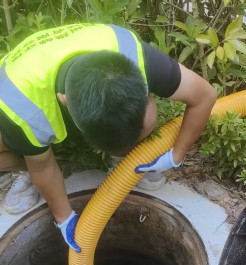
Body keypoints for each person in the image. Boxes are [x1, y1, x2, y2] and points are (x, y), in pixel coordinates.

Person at [0, 24, 217, 252]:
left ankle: (127, 157)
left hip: (74, 85)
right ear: (64, 101)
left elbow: (204, 95)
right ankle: (34, 161)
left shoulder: (133, 54)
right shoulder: (22, 109)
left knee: (144, 117)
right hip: (17, 95)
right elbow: (42, 167)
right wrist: (64, 218)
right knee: (33, 156)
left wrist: (176, 154)